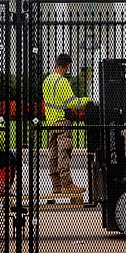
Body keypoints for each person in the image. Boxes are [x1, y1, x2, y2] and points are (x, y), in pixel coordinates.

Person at [42, 53, 92, 194]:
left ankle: (56, 185)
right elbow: (73, 102)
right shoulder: (62, 81)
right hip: (62, 121)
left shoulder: (46, 81)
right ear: (67, 66)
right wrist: (87, 100)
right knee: (64, 152)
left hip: (51, 123)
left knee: (53, 154)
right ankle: (67, 184)